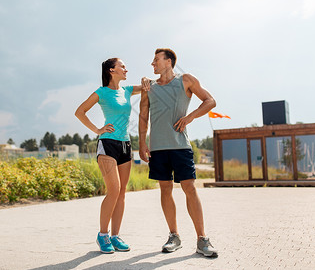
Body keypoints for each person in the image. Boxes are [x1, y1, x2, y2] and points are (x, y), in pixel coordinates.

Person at [138, 48, 218, 257]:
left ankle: (202, 239)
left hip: (180, 146)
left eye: (156, 60)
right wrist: (141, 143)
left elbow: (210, 101)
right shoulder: (149, 87)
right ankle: (174, 235)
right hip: (157, 148)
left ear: (169, 62)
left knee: (189, 188)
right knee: (165, 189)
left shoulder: (186, 80)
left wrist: (190, 117)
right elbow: (143, 116)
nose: (152, 63)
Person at [75, 58, 149, 254]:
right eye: (122, 66)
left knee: (122, 192)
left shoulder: (126, 90)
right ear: (111, 70)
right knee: (114, 190)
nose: (126, 69)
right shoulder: (101, 92)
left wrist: (145, 79)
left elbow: (147, 85)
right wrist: (98, 130)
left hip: (125, 144)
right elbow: (79, 112)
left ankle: (116, 236)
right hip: (107, 144)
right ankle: (103, 234)